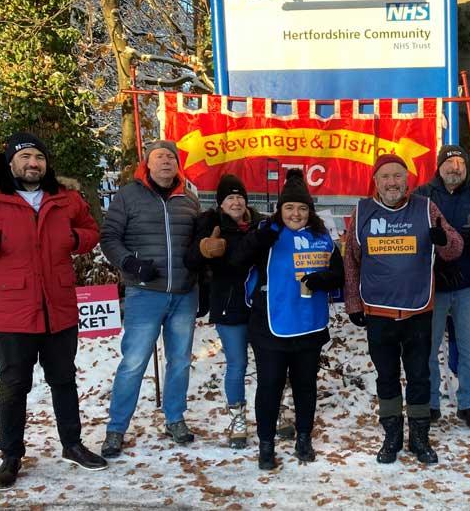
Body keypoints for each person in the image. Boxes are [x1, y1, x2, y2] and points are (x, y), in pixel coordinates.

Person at [0, 132, 107, 490]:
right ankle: (11, 455)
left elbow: (91, 230)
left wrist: (76, 240)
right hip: (11, 310)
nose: (34, 164)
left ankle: (72, 444)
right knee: (14, 385)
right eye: (26, 157)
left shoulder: (64, 196)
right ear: (12, 161)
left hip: (59, 307)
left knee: (64, 380)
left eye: (39, 158)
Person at [343, 154, 462, 465]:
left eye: (397, 176)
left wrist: (443, 240)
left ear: (407, 180)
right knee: (387, 377)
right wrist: (353, 302)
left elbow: (455, 247)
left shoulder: (425, 207)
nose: (392, 182)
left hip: (417, 312)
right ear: (376, 182)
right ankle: (392, 435)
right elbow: (351, 261)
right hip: (378, 312)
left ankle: (419, 437)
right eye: (385, 177)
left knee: (419, 376)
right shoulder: (362, 211)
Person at [227, 169, 344, 470]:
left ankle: (303, 437)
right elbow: (237, 260)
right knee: (270, 386)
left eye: (302, 208)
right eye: (290, 207)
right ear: (280, 209)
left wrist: (323, 279)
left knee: (306, 385)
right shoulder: (266, 231)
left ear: (310, 211)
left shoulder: (321, 236)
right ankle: (266, 444)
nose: (296, 213)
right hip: (270, 325)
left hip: (309, 324)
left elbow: (339, 275)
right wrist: (259, 239)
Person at [99, 140, 200, 457]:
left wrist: (203, 281)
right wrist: (129, 262)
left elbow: (199, 244)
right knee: (133, 363)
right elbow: (109, 237)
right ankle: (116, 428)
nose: (166, 161)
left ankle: (175, 418)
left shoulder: (189, 198)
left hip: (184, 293)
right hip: (145, 293)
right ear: (147, 163)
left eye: (171, 156)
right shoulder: (129, 195)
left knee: (180, 361)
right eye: (160, 156)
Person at [413, 145, 470, 428]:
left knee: (469, 348)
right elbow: (414, 237)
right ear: (439, 167)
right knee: (428, 347)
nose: (455, 169)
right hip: (433, 285)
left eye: (460, 164)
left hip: (468, 284)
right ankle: (431, 404)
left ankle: (466, 404)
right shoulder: (423, 195)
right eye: (449, 164)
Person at [184, 174, 265, 449]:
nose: (236, 201)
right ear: (221, 203)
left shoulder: (260, 224)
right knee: (237, 364)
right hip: (229, 306)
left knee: (270, 364)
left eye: (240, 196)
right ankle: (237, 418)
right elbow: (190, 258)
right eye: (230, 197)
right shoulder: (211, 225)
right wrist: (204, 249)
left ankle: (273, 411)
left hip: (262, 308)